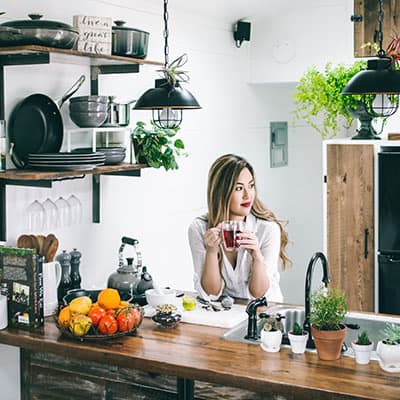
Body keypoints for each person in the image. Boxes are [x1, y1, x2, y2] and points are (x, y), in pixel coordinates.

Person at [188, 154, 291, 302]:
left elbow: (258, 294)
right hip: (228, 315)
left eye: (251, 186)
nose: (247, 195)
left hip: (266, 314)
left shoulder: (267, 229)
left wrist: (257, 256)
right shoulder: (199, 229)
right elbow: (211, 293)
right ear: (221, 192)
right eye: (238, 188)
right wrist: (211, 251)